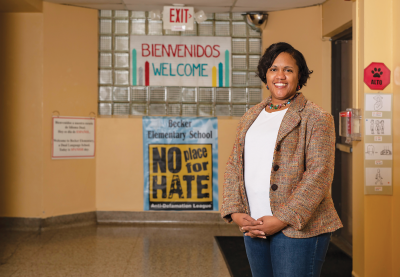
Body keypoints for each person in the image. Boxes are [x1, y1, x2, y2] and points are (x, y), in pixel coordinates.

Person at [221, 42, 342, 277]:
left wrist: (281, 218)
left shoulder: (316, 118)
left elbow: (319, 175)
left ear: (300, 77)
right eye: (273, 69)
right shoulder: (251, 116)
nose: (280, 76)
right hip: (254, 225)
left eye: (288, 70)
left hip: (298, 229)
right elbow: (235, 165)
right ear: (265, 76)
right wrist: (235, 211)